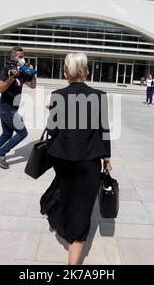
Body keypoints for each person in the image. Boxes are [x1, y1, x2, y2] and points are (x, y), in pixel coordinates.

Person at [40, 53, 112, 265]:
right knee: (83, 206)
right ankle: (74, 260)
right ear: (87, 71)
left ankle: (61, 220)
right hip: (89, 160)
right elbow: (104, 130)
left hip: (62, 159)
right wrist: (107, 157)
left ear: (65, 73)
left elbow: (52, 132)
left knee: (65, 191)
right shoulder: (100, 96)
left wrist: (51, 112)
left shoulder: (57, 95)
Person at [0, 46, 36, 169]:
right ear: (13, 57)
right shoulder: (6, 69)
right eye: (20, 56)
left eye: (23, 56)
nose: (23, 58)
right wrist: (11, 78)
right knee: (22, 133)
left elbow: (33, 85)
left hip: (10, 109)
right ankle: (0, 154)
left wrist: (32, 72)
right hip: (6, 109)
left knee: (6, 135)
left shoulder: (22, 72)